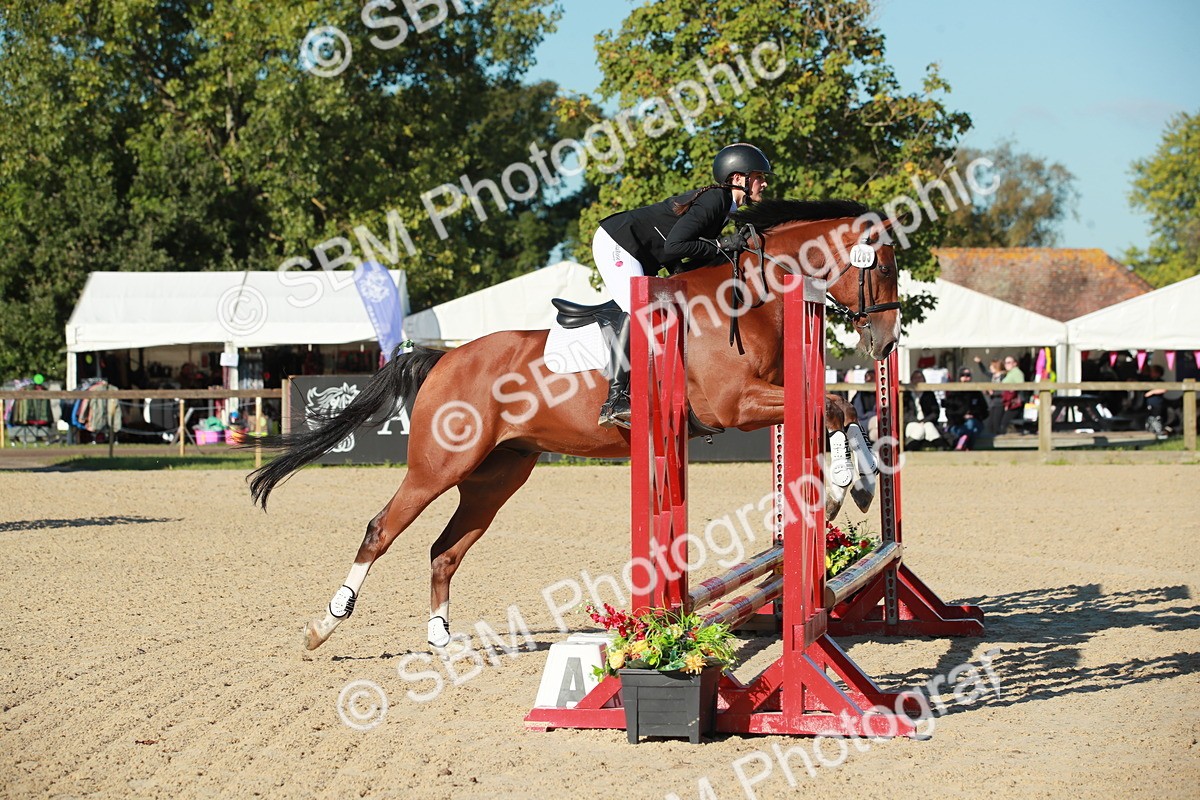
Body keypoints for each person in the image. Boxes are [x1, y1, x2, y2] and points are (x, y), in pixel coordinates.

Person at [591, 143, 772, 427]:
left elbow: (682, 259)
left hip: (641, 254)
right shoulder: (717, 201)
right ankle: (615, 400)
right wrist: (723, 244)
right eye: (759, 176)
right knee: (641, 310)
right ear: (739, 179)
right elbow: (676, 245)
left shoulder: (725, 208)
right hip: (618, 243)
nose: (764, 183)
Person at [944, 367, 989, 450]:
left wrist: (973, 414)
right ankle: (967, 446)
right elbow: (949, 413)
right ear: (959, 377)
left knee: (971, 423)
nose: (965, 377)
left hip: (975, 422)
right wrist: (962, 416)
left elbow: (985, 412)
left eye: (968, 375)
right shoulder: (953, 393)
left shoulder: (976, 393)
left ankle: (961, 444)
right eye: (963, 375)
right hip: (957, 424)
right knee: (973, 430)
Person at [903, 370, 944, 449]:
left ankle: (941, 451)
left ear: (924, 380)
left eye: (920, 378)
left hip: (926, 421)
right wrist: (917, 421)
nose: (918, 380)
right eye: (915, 378)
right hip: (911, 422)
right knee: (919, 429)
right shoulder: (906, 395)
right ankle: (909, 449)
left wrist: (924, 421)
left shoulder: (929, 394)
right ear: (911, 380)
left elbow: (935, 412)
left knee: (930, 427)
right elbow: (904, 413)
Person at [998, 354, 1026, 434]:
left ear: (1015, 363)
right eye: (1006, 363)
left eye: (1009, 362)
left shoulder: (1017, 372)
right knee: (1005, 423)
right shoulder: (1010, 373)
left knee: (1005, 423)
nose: (1007, 364)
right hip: (1009, 402)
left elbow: (1020, 386)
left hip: (1014, 403)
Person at [851, 368, 877, 441]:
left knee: (876, 433)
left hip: (874, 427)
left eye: (871, 377)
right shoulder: (860, 394)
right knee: (877, 421)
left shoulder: (881, 394)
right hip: (862, 422)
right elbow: (857, 414)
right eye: (866, 377)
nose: (868, 380)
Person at [1143, 364, 1168, 437]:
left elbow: (1164, 389)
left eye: (1152, 372)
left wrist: (1152, 392)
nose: (1151, 373)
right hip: (1149, 404)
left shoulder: (1160, 381)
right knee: (1149, 419)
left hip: (1157, 404)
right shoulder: (1149, 380)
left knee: (1156, 418)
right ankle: (1150, 433)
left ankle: (1159, 432)